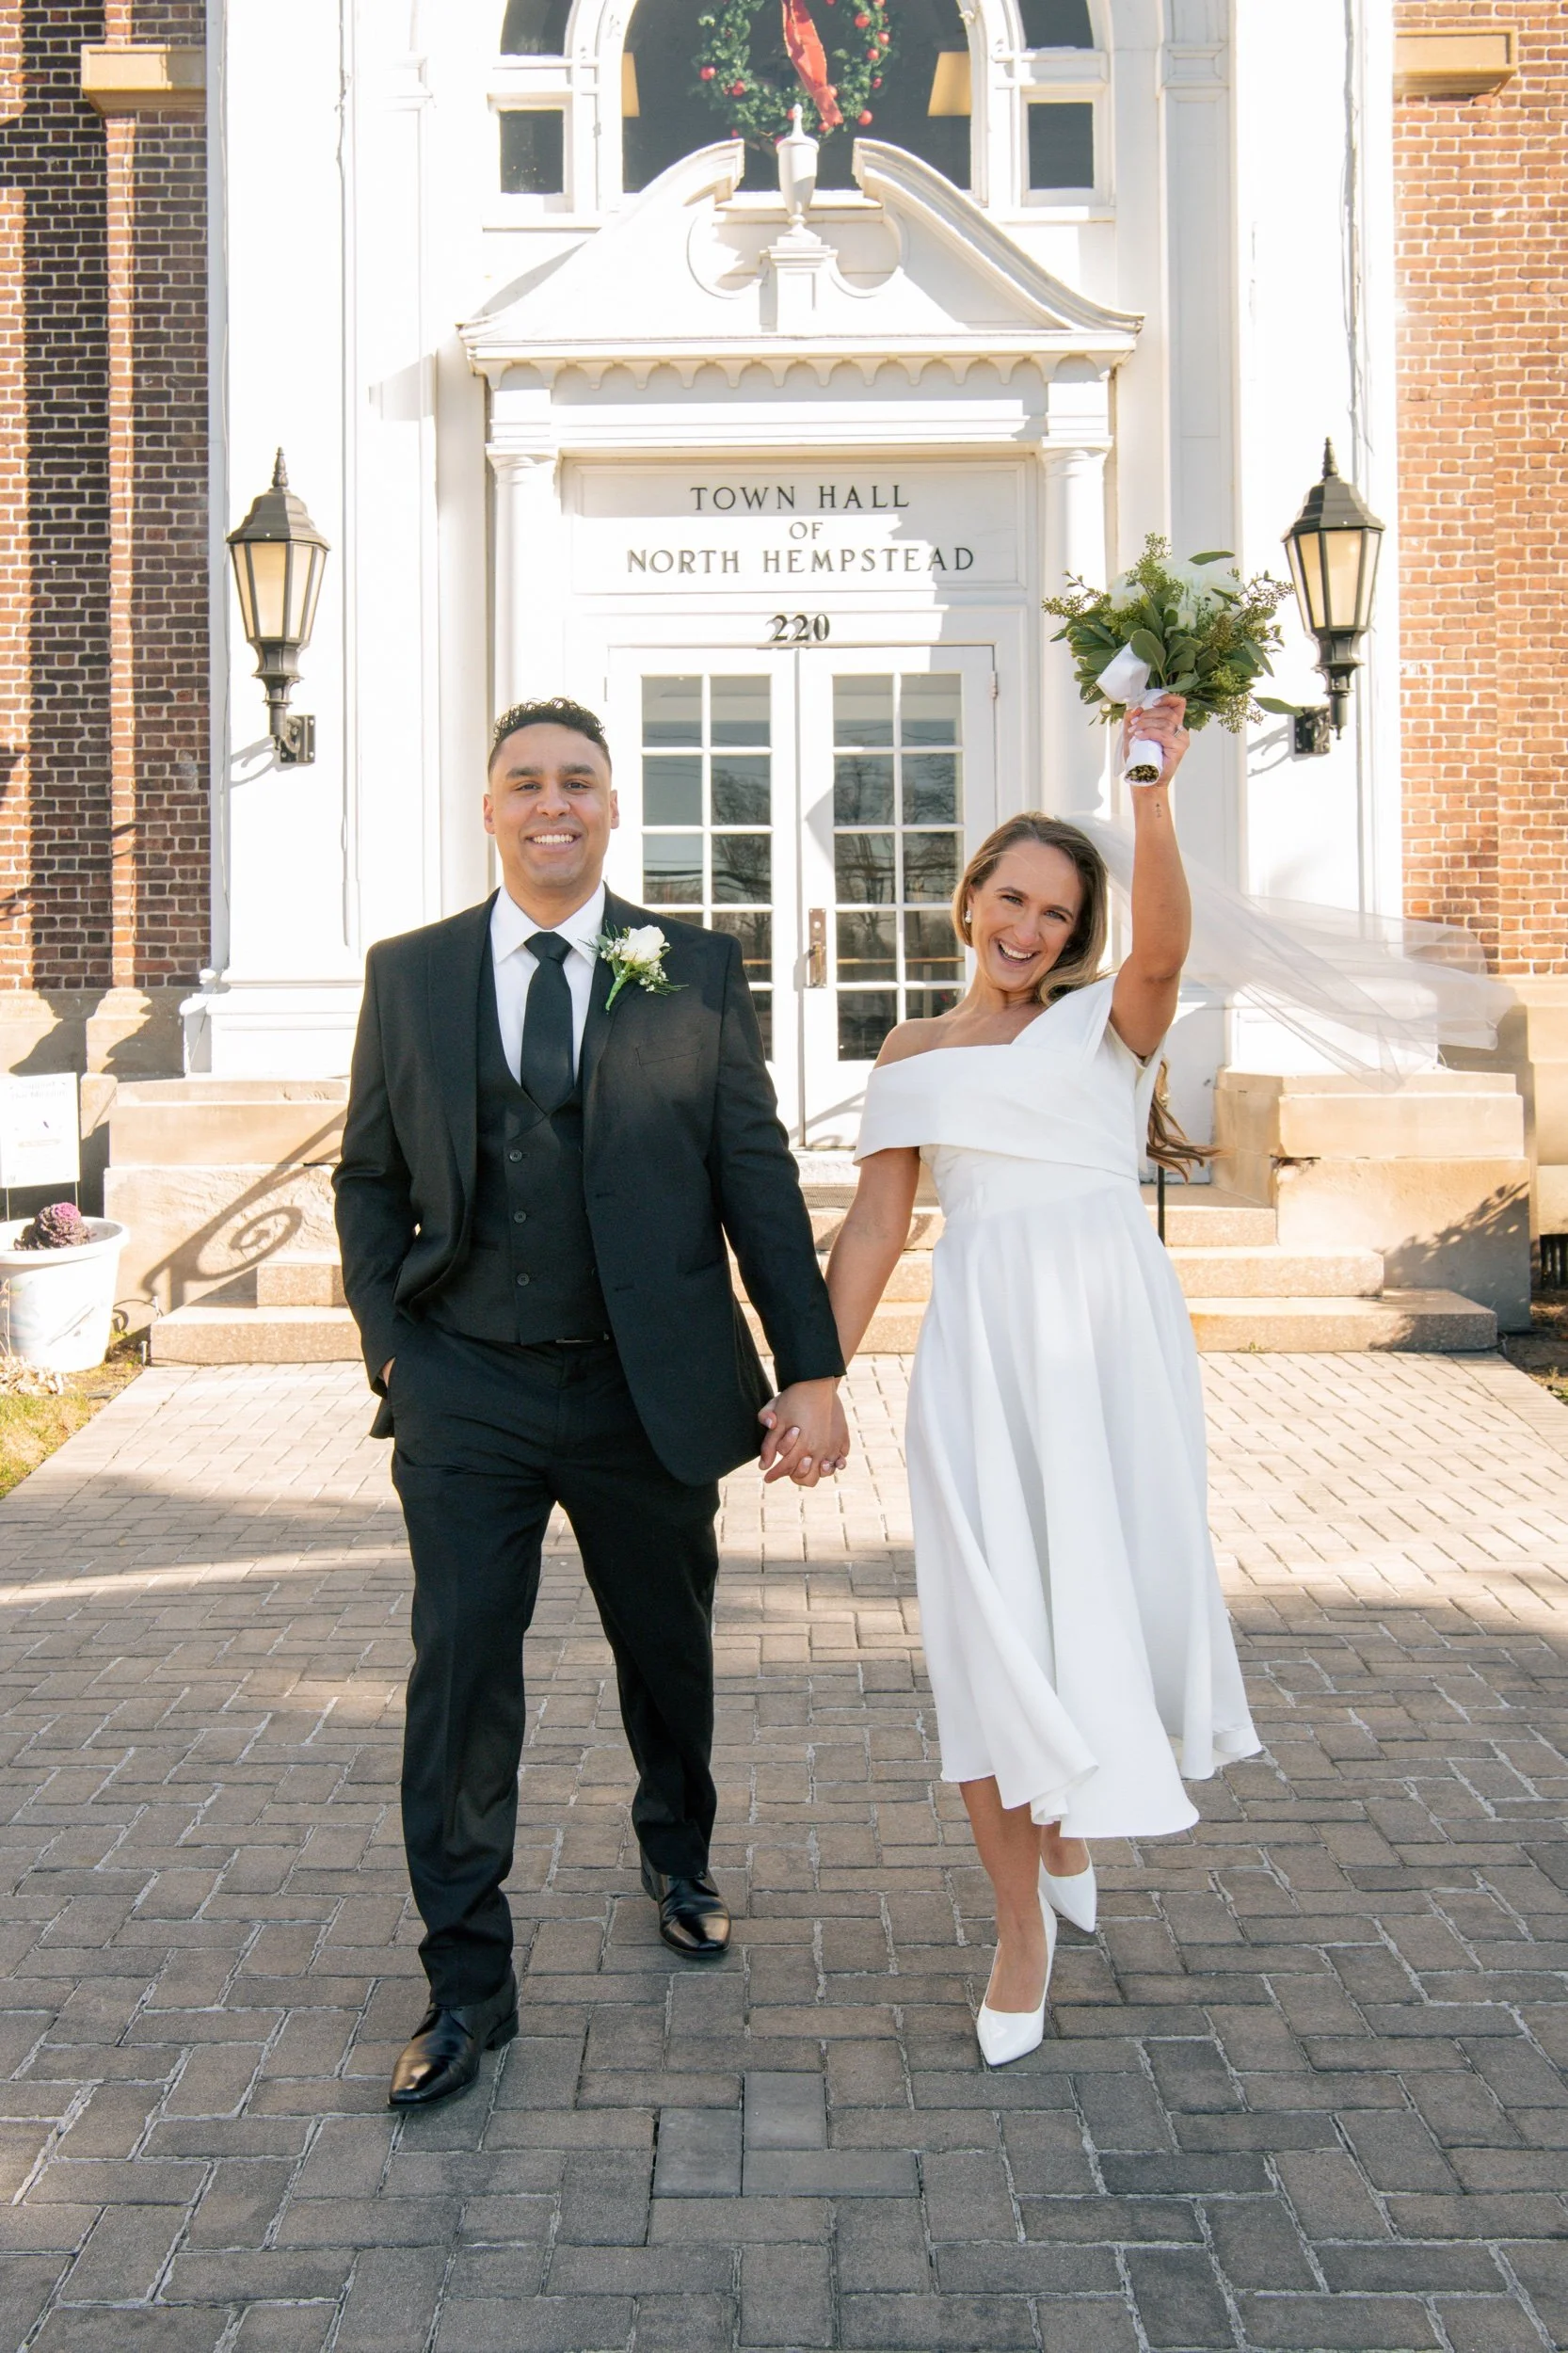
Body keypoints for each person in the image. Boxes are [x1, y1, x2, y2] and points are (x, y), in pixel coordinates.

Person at [334, 695, 850, 2109]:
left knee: (663, 1650)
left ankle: (676, 1848)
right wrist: (392, 1345)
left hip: (649, 1390)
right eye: (523, 783)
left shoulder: (687, 965)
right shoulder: (412, 971)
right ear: (488, 807)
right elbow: (368, 1175)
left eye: (576, 782)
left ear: (612, 808)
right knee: (459, 1681)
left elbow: (752, 1173)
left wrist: (808, 1365)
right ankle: (465, 1987)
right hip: (467, 1387)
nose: (550, 803)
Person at [823, 696, 1259, 2067]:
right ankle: (1019, 1923)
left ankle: (1067, 1819)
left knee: (1094, 1593)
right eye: (1011, 899)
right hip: (976, 1354)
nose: (1029, 929)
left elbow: (1168, 943)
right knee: (979, 1624)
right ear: (969, 902)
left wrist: (1147, 786)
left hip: (1104, 1343)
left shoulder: (1106, 1034)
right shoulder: (906, 1051)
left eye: (1057, 915)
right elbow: (878, 1228)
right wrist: (813, 1382)